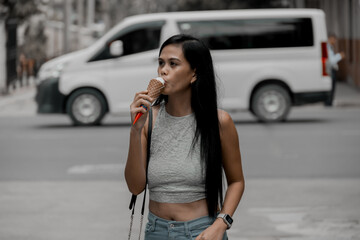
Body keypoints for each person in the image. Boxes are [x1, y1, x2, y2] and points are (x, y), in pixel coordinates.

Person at [125, 34, 245, 240]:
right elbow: (135, 187)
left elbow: (236, 181)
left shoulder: (219, 122)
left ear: (194, 73)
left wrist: (221, 224)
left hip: (202, 231)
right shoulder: (148, 121)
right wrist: (135, 131)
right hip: (156, 231)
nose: (163, 70)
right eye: (161, 63)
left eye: (173, 64)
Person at [326, 33, 345, 106]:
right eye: (334, 39)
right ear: (330, 39)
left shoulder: (330, 47)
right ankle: (328, 101)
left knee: (332, 87)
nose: (335, 41)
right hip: (330, 69)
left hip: (332, 69)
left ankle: (330, 101)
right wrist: (340, 56)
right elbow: (331, 61)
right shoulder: (328, 47)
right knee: (331, 87)